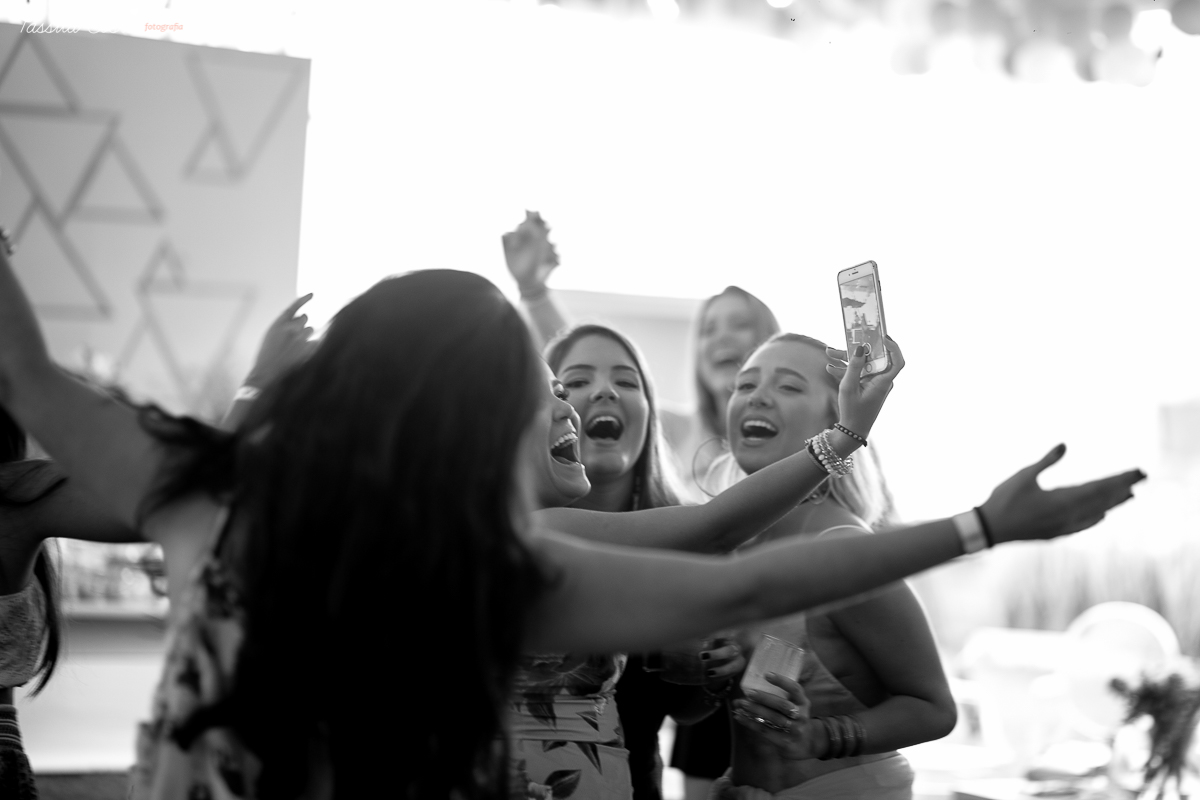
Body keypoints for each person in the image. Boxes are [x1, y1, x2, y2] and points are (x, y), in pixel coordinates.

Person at [0, 250, 1144, 799]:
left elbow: (29, 373)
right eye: (534, 395)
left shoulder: (205, 490)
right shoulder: (487, 569)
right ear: (475, 423)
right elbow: (735, 577)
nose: (560, 410)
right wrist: (979, 525)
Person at [711, 333, 956, 799]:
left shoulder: (843, 549)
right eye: (744, 385)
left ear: (838, 419)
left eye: (788, 386)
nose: (757, 397)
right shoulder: (727, 545)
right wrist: (710, 675)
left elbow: (934, 708)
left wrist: (821, 736)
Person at [512, 324, 742, 800]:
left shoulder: (682, 542)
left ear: (650, 414)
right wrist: (839, 441)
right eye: (576, 381)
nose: (605, 391)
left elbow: (686, 709)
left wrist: (714, 673)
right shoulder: (522, 533)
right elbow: (722, 524)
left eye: (626, 380)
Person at [500, 214, 780, 497]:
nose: (722, 338)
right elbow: (588, 360)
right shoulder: (673, 430)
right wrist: (534, 292)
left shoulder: (796, 439)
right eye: (708, 330)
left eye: (740, 325)